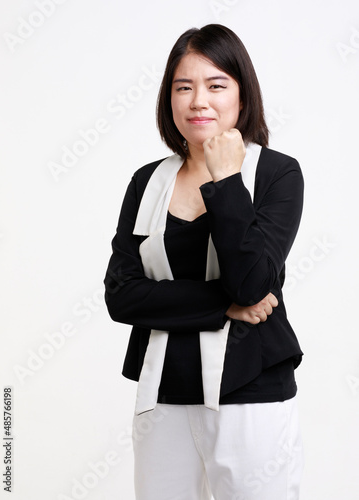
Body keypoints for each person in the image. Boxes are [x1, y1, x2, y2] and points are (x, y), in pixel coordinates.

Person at [104, 23, 304, 500]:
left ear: (242, 95)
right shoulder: (147, 181)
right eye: (184, 87)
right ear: (168, 98)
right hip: (163, 396)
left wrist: (226, 178)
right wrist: (224, 308)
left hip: (250, 393)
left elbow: (253, 283)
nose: (198, 101)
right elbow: (122, 295)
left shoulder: (277, 174)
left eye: (216, 85)